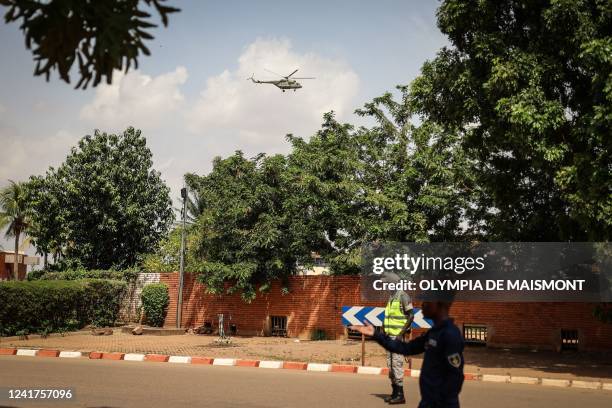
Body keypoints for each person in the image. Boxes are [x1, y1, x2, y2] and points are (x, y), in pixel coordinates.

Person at [351, 300, 464, 408]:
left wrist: (436, 401)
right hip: (427, 403)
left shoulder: (450, 334)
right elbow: (405, 348)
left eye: (427, 301)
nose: (422, 304)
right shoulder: (433, 333)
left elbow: (455, 377)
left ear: (440, 304)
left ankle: (399, 394)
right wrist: (376, 334)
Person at [382, 286, 414, 404]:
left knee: (397, 364)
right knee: (390, 366)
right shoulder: (391, 297)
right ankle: (395, 393)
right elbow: (388, 317)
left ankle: (401, 395)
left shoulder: (403, 296)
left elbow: (411, 315)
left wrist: (401, 334)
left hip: (397, 338)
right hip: (389, 337)